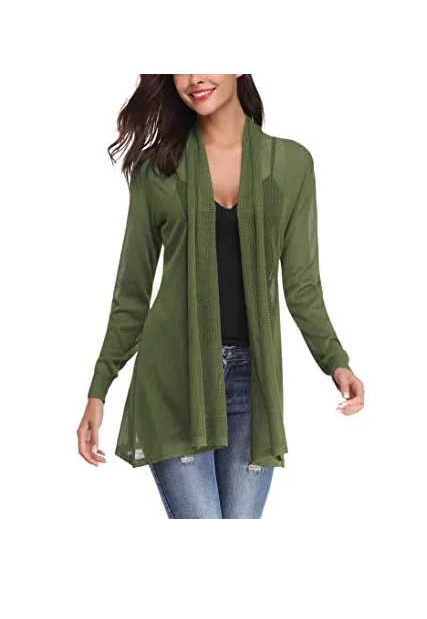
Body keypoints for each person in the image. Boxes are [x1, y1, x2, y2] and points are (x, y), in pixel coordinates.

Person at [77, 72, 364, 519]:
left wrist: (336, 361)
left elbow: (303, 285)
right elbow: (132, 291)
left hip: (254, 382)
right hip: (174, 381)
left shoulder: (290, 164)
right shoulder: (158, 171)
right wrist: (99, 388)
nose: (194, 78)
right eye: (180, 66)